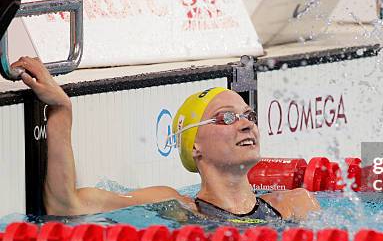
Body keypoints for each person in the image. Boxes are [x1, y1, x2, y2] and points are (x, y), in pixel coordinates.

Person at [11, 56, 320, 222]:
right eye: (227, 117)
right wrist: (62, 109)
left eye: (249, 116)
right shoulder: (177, 205)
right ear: (194, 146)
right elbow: (67, 205)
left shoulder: (295, 203)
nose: (245, 125)